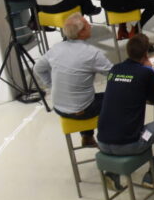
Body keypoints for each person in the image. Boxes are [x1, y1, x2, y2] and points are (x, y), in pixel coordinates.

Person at [97, 34, 154, 190]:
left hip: (102, 142)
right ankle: (153, 175)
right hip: (129, 144)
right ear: (146, 53)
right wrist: (149, 70)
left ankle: (112, 174)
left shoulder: (115, 69)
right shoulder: (146, 72)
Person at [36, 14, 113, 146]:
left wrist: (51, 86)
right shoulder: (91, 53)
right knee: (117, 99)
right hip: (82, 110)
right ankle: (115, 141)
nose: (90, 25)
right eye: (87, 24)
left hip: (58, 107)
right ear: (81, 32)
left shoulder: (56, 48)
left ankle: (87, 137)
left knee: (87, 96)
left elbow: (38, 68)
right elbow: (113, 75)